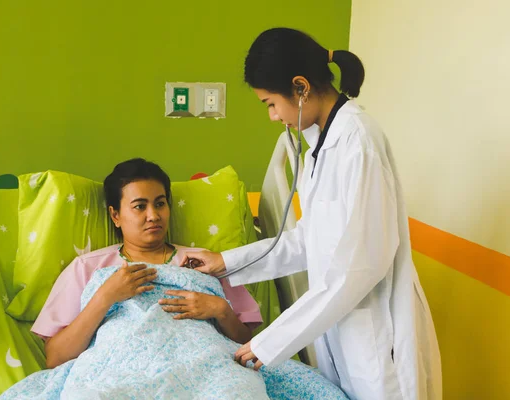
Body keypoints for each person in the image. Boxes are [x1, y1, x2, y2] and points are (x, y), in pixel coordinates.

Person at [180, 27, 442, 400]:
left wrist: (270, 342)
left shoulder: (358, 142)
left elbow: (361, 266)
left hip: (377, 336)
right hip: (343, 329)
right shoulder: (318, 143)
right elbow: (309, 240)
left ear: (300, 88)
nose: (272, 116)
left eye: (271, 103)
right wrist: (225, 262)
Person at [31, 158, 263, 369]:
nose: (153, 215)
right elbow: (56, 359)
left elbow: (247, 347)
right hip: (119, 373)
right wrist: (105, 297)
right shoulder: (88, 268)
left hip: (204, 370)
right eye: (140, 206)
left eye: (160, 204)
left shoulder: (206, 261)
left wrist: (221, 310)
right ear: (115, 216)